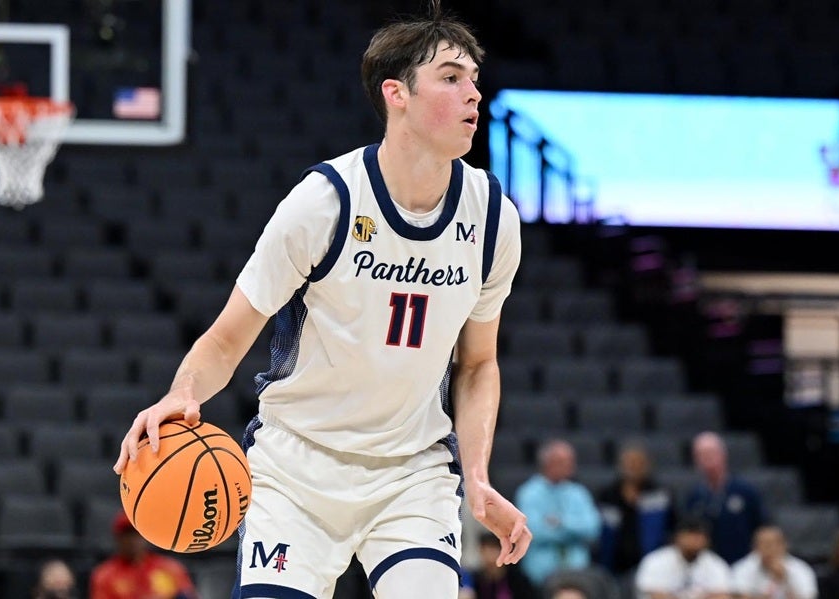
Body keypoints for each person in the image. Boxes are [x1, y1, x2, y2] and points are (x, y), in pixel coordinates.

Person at [112, 2, 531, 597]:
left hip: (411, 472)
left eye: (475, 80)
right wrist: (180, 395)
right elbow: (230, 336)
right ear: (397, 94)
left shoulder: (492, 219)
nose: (474, 95)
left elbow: (479, 362)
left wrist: (480, 476)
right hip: (295, 470)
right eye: (451, 76)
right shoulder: (324, 202)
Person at [515, 439, 602, 588]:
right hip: (540, 574)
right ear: (547, 463)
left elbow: (592, 529)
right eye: (563, 461)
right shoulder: (528, 493)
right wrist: (573, 532)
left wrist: (560, 523)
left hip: (578, 571)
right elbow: (532, 532)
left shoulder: (579, 493)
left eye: (571, 461)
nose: (570, 465)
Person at [597, 440, 677, 576]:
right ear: (620, 465)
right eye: (629, 462)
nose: (633, 466)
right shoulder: (608, 495)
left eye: (638, 462)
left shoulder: (660, 494)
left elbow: (673, 528)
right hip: (615, 568)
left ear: (647, 465)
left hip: (652, 566)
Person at [686, 431, 767, 564]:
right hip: (709, 566)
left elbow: (762, 526)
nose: (707, 459)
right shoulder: (694, 497)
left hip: (744, 562)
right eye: (701, 455)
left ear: (723, 455)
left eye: (711, 453)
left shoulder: (746, 491)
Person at [89, 511, 198, 599]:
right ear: (117, 539)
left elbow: (188, 595)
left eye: (136, 535)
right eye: (127, 535)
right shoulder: (104, 575)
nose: (132, 541)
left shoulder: (169, 568)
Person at [635, 516, 731, 599]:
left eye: (699, 535)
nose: (694, 540)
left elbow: (722, 595)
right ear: (677, 537)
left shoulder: (715, 563)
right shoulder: (656, 560)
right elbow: (655, 595)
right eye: (690, 534)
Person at [731, 525, 818, 599]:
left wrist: (784, 579)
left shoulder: (800, 569)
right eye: (762, 544)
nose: (768, 549)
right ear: (754, 547)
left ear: (784, 545)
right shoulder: (743, 567)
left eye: (772, 544)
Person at [467, 531, 539, 599]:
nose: (490, 554)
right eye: (487, 549)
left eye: (495, 548)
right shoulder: (474, 579)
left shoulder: (519, 581)